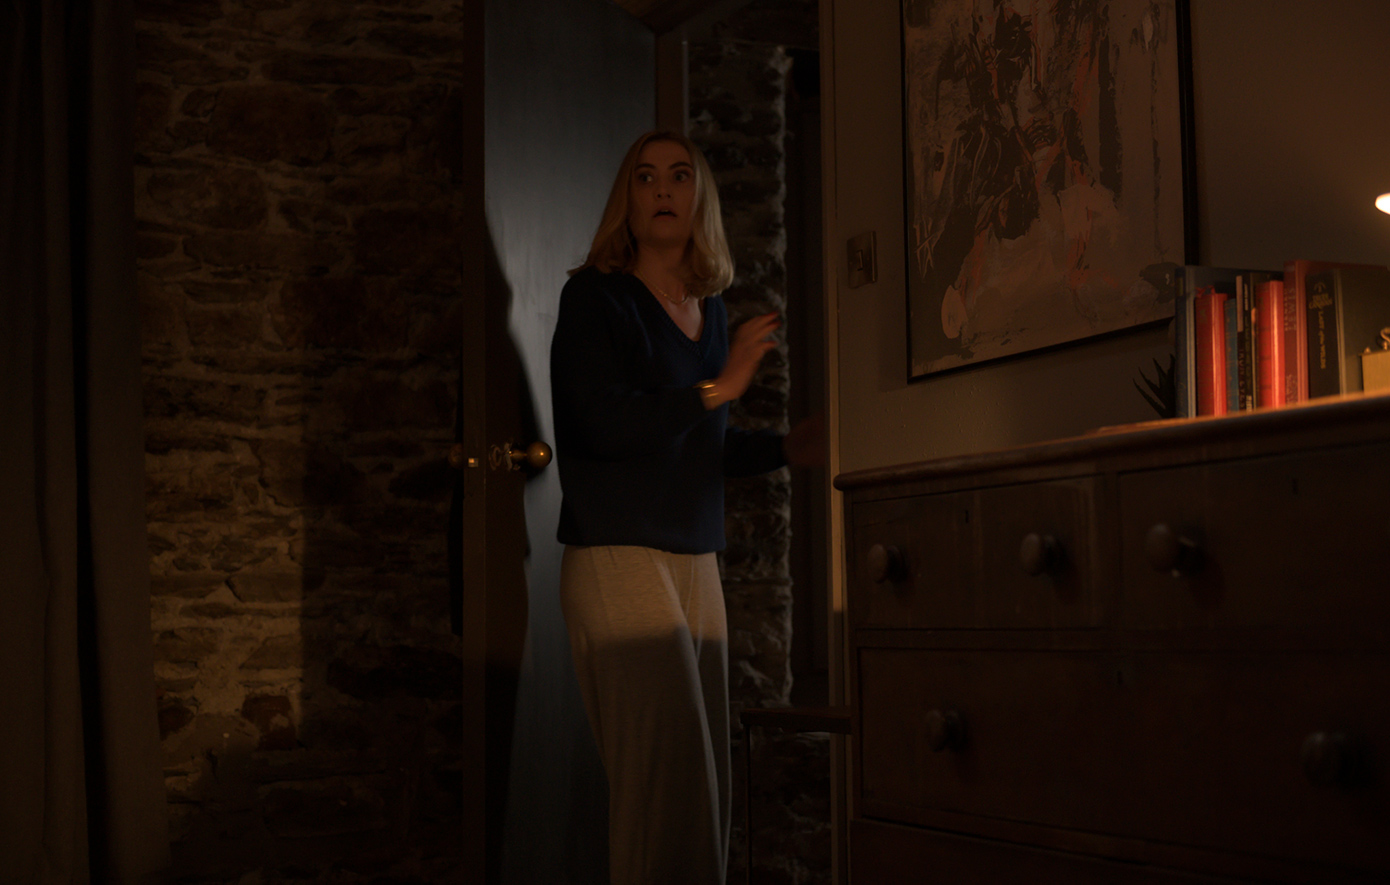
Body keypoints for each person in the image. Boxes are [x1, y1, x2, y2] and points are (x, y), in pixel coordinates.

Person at [549, 129, 822, 884]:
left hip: (695, 558)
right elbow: (600, 426)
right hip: (617, 553)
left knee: (705, 787)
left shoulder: (711, 312)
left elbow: (702, 447)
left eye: (678, 175)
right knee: (661, 786)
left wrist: (785, 447)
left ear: (700, 198)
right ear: (628, 200)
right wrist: (715, 389)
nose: (662, 189)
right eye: (645, 177)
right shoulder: (595, 298)